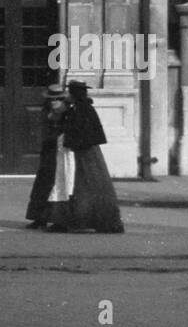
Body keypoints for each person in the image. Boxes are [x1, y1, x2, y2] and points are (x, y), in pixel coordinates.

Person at [45, 80, 125, 234]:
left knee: (80, 185)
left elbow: (83, 132)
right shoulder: (78, 109)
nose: (67, 94)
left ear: (75, 94)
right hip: (79, 152)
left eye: (70, 92)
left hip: (82, 153)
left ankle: (89, 220)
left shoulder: (82, 110)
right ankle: (66, 220)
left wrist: (70, 140)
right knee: (73, 184)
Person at [25, 84, 67, 229]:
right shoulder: (46, 111)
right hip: (49, 150)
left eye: (58, 98)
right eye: (51, 99)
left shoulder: (66, 112)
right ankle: (39, 217)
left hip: (61, 151)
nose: (54, 101)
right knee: (42, 184)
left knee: (59, 186)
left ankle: (58, 219)